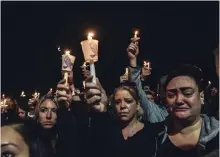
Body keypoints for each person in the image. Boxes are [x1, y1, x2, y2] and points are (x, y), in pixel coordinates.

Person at [84, 76, 158, 157]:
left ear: (137, 105)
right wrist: (100, 111)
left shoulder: (151, 133)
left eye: (128, 101)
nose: (122, 106)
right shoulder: (108, 131)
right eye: (117, 102)